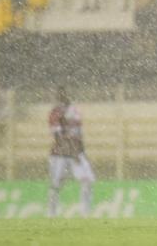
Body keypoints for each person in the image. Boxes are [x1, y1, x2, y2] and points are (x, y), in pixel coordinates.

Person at [47, 87, 95, 218]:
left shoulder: (75, 111)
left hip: (76, 153)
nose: (63, 97)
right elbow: (58, 136)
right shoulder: (55, 113)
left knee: (87, 180)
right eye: (60, 95)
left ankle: (85, 215)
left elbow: (79, 134)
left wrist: (81, 152)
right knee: (56, 184)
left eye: (64, 94)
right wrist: (73, 151)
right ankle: (51, 215)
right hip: (59, 155)